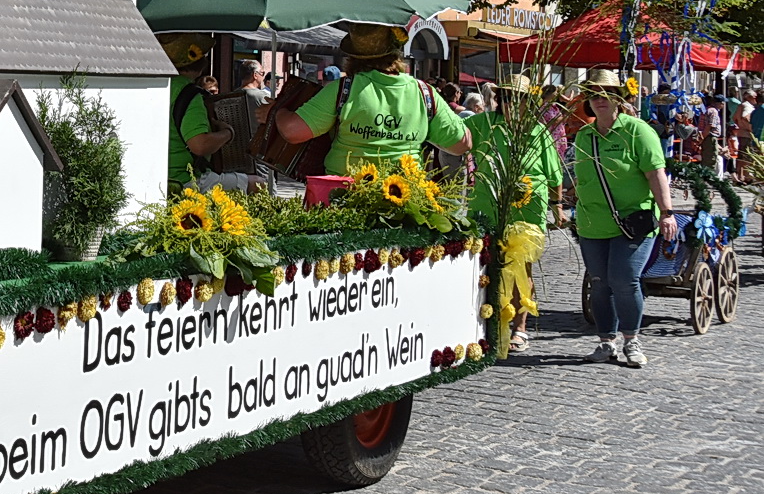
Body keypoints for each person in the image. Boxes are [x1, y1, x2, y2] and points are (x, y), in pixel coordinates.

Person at [569, 69, 677, 369]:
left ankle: (631, 339)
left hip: (632, 222)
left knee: (624, 279)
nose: (599, 99)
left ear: (618, 98)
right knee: (599, 282)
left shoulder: (637, 131)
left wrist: (667, 213)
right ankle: (606, 342)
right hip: (592, 222)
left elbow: (655, 173)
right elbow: (580, 177)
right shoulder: (585, 135)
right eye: (593, 95)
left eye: (606, 94)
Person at [274, 23, 471, 175]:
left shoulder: (345, 88)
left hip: (344, 198)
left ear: (353, 57)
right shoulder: (424, 93)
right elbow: (461, 144)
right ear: (396, 54)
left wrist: (279, 111)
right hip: (405, 200)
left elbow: (292, 131)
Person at [465, 75, 566, 351]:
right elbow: (454, 135)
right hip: (487, 207)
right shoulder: (484, 124)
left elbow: (554, 174)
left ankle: (519, 328)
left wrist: (557, 207)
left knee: (521, 268)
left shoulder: (538, 132)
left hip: (527, 211)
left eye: (519, 98)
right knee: (486, 267)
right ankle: (488, 325)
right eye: (507, 97)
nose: (512, 103)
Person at [162, 35, 236, 191]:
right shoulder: (188, 93)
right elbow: (200, 145)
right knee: (258, 184)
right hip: (185, 181)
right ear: (200, 63)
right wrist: (228, 133)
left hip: (156, 176)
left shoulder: (158, 84)